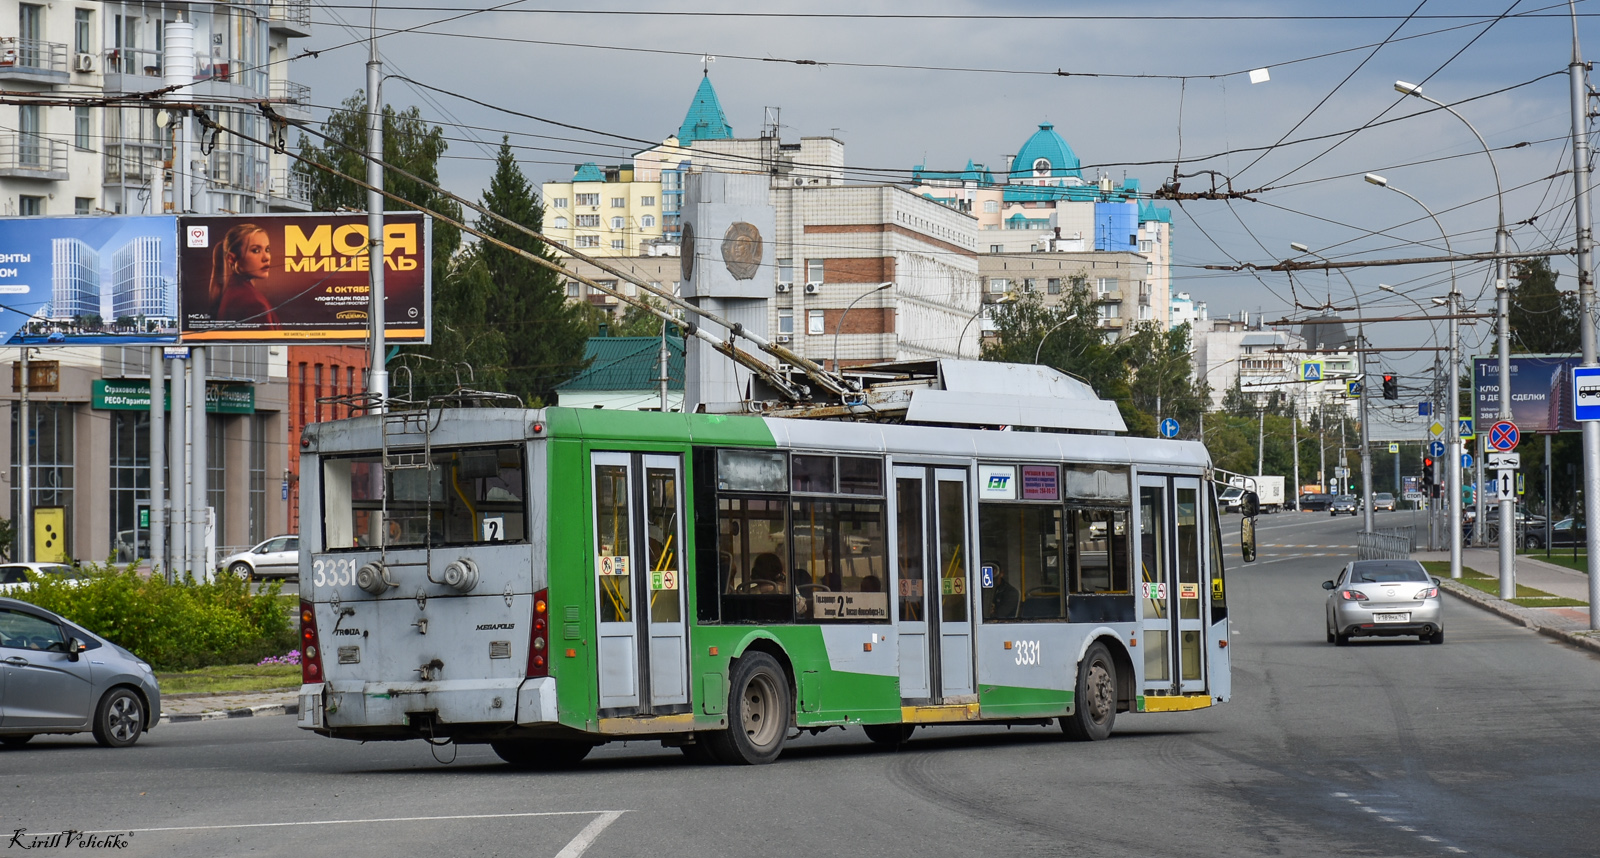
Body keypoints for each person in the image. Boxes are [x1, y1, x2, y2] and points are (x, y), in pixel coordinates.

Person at [208, 223, 279, 327]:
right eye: (256, 250)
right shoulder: (254, 303)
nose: (266, 257)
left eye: (267, 249)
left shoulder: (232, 291)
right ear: (231, 258)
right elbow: (265, 342)